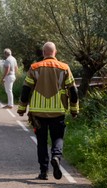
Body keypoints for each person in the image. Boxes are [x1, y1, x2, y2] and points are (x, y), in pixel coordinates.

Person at [17, 42, 79, 180]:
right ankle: (56, 156)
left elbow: (26, 90)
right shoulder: (64, 68)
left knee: (42, 141)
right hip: (58, 111)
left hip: (38, 113)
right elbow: (73, 91)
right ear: (55, 52)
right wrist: (74, 110)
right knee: (58, 137)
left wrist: (22, 108)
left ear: (43, 53)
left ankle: (43, 171)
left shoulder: (34, 68)